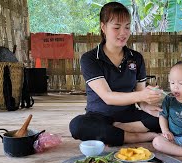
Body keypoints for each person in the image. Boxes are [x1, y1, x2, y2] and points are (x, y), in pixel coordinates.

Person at [69, 2, 163, 146]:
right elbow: (107, 97)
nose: (123, 33)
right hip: (99, 115)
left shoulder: (136, 57)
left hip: (128, 114)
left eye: (127, 27)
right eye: (117, 27)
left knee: (165, 118)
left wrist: (148, 105)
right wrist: (142, 95)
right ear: (103, 27)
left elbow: (140, 98)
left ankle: (115, 132)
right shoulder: (90, 58)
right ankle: (139, 136)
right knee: (77, 126)